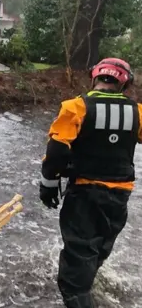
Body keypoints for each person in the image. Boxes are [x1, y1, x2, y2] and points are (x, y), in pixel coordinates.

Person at [38, 58, 141, 308]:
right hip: (119, 196)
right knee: (98, 249)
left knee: (74, 273)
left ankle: (79, 295)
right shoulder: (137, 111)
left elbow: (57, 152)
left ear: (95, 77)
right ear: (124, 84)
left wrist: (48, 184)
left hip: (85, 193)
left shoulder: (76, 107)